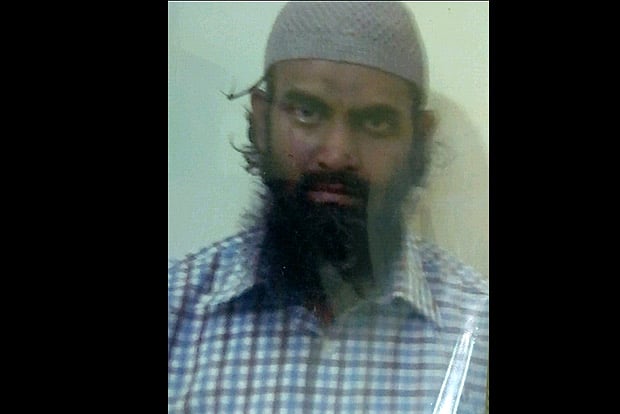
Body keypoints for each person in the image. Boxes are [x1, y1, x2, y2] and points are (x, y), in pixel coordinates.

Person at [168, 2, 489, 413]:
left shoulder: (477, 327)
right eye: (307, 112)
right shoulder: (177, 313)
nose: (336, 155)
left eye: (376, 122)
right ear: (261, 122)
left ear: (419, 140)